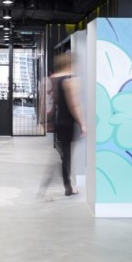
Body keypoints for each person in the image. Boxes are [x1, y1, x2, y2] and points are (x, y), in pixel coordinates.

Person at [50, 52, 86, 196]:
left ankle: (68, 185)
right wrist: (82, 123)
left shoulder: (56, 79)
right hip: (68, 123)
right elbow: (74, 105)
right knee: (67, 156)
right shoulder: (70, 80)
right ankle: (68, 187)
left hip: (59, 121)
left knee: (65, 155)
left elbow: (54, 100)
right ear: (70, 64)